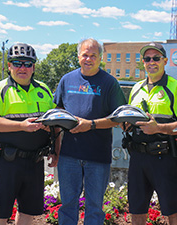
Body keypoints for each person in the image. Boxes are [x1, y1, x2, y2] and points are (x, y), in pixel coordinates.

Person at [49, 38, 126, 225]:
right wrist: (55, 150)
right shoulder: (67, 80)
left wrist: (91, 124)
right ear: (78, 56)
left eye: (93, 55)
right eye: (85, 54)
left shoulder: (109, 83)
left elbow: (118, 118)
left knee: (94, 208)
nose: (88, 59)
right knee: (67, 206)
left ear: (101, 58)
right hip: (69, 156)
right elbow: (56, 118)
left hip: (97, 157)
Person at [0, 43, 56, 225]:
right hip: (6, 163)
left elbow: (55, 123)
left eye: (28, 63)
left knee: (27, 213)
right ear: (9, 66)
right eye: (17, 63)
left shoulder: (44, 90)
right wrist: (21, 126)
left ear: (34, 67)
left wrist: (54, 149)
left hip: (35, 163)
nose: (22, 68)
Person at [123, 42, 177, 225]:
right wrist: (126, 125)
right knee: (137, 208)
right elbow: (132, 119)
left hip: (165, 158)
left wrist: (159, 128)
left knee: (171, 209)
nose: (151, 62)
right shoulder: (136, 89)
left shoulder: (176, 88)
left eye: (156, 58)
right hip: (138, 157)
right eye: (147, 59)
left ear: (165, 60)